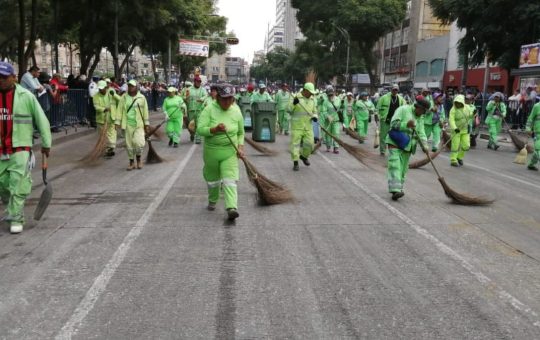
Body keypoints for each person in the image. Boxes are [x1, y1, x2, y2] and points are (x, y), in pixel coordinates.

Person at [0, 62, 51, 234]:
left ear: (13, 78)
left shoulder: (26, 96)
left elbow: (41, 119)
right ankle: (11, 207)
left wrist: (46, 144)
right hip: (1, 149)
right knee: (3, 186)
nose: (1, 80)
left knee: (17, 184)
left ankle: (16, 217)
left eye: (4, 77)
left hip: (20, 148)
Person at [196, 84, 244, 221]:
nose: (227, 102)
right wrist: (214, 129)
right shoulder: (209, 109)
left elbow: (241, 133)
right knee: (213, 180)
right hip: (211, 152)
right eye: (224, 99)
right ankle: (213, 199)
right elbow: (200, 129)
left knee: (230, 180)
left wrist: (240, 147)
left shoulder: (236, 111)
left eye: (230, 99)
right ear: (217, 98)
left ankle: (231, 208)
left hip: (229, 152)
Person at [386, 96, 430, 201]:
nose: (423, 113)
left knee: (402, 170)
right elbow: (393, 124)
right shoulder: (403, 110)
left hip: (408, 146)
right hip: (395, 142)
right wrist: (406, 125)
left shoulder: (421, 118)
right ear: (417, 107)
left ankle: (398, 188)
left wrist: (425, 146)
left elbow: (422, 133)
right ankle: (395, 190)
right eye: (423, 111)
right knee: (395, 166)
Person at [115, 80, 149, 170]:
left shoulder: (142, 98)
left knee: (139, 143)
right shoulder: (124, 97)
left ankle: (139, 159)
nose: (130, 87)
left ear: (136, 87)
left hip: (139, 125)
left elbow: (145, 111)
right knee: (129, 145)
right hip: (127, 125)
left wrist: (147, 124)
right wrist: (117, 123)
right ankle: (131, 162)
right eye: (129, 86)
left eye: (132, 86)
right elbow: (119, 110)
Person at [288, 82, 318, 171]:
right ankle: (295, 162)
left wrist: (315, 117)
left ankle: (304, 156)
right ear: (305, 91)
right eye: (310, 92)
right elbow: (288, 110)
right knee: (295, 145)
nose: (312, 94)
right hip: (297, 125)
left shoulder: (313, 99)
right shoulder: (295, 97)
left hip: (308, 126)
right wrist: (293, 103)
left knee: (310, 144)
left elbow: (315, 111)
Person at [376, 84, 406, 156]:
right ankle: (382, 150)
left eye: (396, 90)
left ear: (398, 90)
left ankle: (393, 151)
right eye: (394, 89)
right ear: (391, 89)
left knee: (394, 136)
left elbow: (404, 109)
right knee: (383, 136)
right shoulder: (383, 98)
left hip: (396, 121)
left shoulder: (401, 99)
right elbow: (377, 108)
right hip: (385, 120)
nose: (395, 91)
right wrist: (376, 115)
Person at [93, 80, 118, 157]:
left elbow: (119, 100)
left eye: (102, 88)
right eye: (99, 89)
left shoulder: (111, 93)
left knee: (112, 133)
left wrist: (114, 95)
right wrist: (104, 109)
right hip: (101, 119)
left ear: (106, 87)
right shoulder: (95, 96)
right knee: (102, 135)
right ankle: (106, 148)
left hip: (111, 117)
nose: (101, 90)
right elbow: (96, 106)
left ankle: (111, 147)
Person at [448, 95, 473, 167]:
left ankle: (459, 157)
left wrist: (473, 113)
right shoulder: (453, 109)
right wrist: (455, 128)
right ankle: (453, 160)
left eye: (459, 102)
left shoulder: (467, 107)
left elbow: (470, 116)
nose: (458, 104)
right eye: (456, 102)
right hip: (456, 131)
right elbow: (451, 120)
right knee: (455, 145)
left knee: (466, 145)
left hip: (465, 130)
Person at [183, 76, 207, 144]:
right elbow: (184, 97)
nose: (199, 83)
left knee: (198, 124)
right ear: (194, 82)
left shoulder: (203, 89)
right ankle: (192, 134)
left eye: (200, 81)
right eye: (197, 81)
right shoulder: (189, 89)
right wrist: (185, 98)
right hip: (191, 110)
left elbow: (206, 96)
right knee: (191, 125)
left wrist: (202, 99)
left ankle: (198, 138)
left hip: (199, 110)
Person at [319, 86, 341, 153]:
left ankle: (336, 147)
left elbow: (340, 108)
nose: (331, 95)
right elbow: (324, 111)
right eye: (329, 94)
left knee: (336, 133)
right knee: (328, 134)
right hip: (328, 121)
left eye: (332, 94)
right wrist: (328, 116)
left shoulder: (338, 99)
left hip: (336, 120)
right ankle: (328, 146)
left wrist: (340, 108)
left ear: (334, 92)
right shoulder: (325, 102)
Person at [526, 101, 540, 171]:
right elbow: (530, 118)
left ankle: (531, 164)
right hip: (538, 133)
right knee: (538, 150)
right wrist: (528, 129)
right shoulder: (537, 106)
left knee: (537, 152)